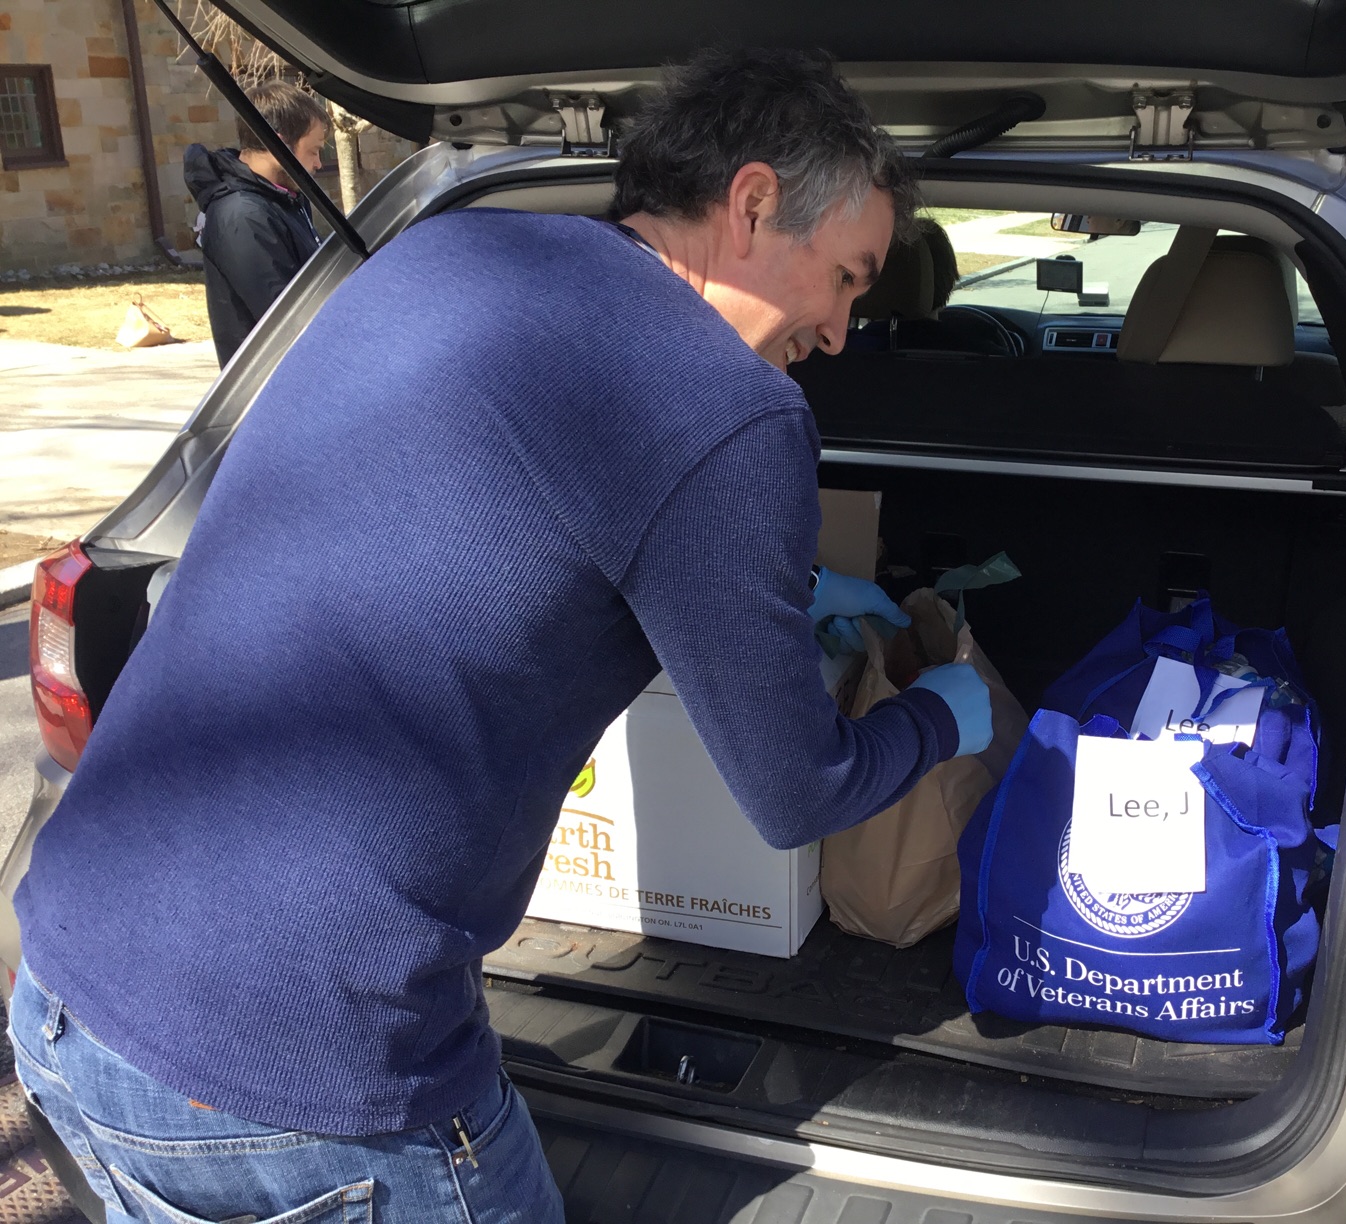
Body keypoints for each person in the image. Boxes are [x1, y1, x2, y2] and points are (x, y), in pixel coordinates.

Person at [9, 49, 994, 1223]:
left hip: (68, 987)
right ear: (751, 204)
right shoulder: (730, 411)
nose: (839, 332)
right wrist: (946, 716)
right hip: (309, 1072)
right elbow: (796, 791)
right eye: (845, 279)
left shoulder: (439, 249)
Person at [183, 80, 328, 366]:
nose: (319, 163)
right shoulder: (242, 215)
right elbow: (284, 318)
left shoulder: (285, 198)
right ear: (278, 144)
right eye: (313, 150)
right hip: (276, 384)